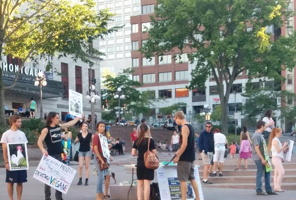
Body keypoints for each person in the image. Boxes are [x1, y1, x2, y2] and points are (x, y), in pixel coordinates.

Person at [37, 112, 80, 200]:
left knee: (59, 177)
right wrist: (43, 149)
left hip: (59, 154)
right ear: (52, 118)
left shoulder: (58, 127)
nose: (58, 119)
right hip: (50, 155)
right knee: (49, 178)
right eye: (57, 118)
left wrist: (78, 118)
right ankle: (47, 197)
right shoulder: (46, 129)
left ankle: (59, 197)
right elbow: (39, 141)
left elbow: (69, 124)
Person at [173, 111, 200, 200]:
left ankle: (183, 198)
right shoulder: (190, 126)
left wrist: (178, 156)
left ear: (178, 117)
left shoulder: (184, 127)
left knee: (183, 180)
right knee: (192, 178)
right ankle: (198, 197)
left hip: (184, 158)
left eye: (175, 119)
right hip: (191, 156)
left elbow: (184, 144)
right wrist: (177, 152)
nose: (175, 121)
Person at [1, 115, 28, 200]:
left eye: (20, 121)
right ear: (13, 122)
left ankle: (19, 198)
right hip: (11, 162)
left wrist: (26, 161)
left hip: (21, 162)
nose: (21, 123)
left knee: (20, 181)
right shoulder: (6, 134)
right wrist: (6, 162)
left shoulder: (22, 134)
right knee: (10, 181)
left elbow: (24, 149)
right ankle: (11, 199)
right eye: (19, 121)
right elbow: (4, 150)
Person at [132, 123, 157, 200]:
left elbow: (133, 153)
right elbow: (155, 153)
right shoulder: (150, 140)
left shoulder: (137, 140)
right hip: (148, 164)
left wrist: (140, 154)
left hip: (139, 163)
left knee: (140, 184)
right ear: (147, 130)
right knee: (147, 184)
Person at [252, 120, 277, 195]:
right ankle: (259, 190)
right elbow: (256, 148)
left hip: (265, 157)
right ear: (262, 126)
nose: (266, 127)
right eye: (265, 126)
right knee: (260, 173)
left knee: (267, 173)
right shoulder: (256, 135)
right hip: (260, 158)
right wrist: (262, 159)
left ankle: (268, 189)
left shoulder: (260, 135)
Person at [93, 122, 111, 200]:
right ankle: (99, 194)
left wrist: (110, 156)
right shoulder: (96, 136)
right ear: (97, 127)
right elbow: (95, 149)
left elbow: (105, 149)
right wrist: (101, 159)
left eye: (103, 126)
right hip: (98, 157)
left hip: (105, 157)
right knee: (100, 177)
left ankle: (103, 193)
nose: (102, 128)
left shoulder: (103, 137)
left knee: (106, 175)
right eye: (101, 126)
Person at [268, 128, 288, 192]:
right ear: (276, 132)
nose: (281, 133)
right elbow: (278, 150)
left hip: (277, 158)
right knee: (282, 172)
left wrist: (285, 148)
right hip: (276, 158)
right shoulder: (275, 140)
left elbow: (279, 150)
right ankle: (278, 187)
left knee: (276, 174)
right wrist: (284, 146)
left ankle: (276, 187)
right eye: (280, 132)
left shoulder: (276, 140)